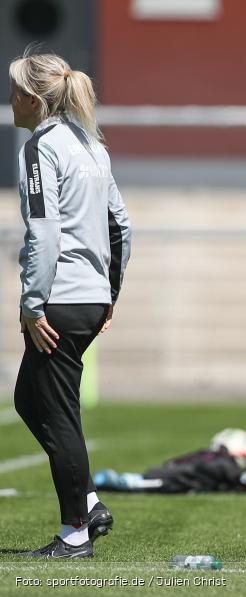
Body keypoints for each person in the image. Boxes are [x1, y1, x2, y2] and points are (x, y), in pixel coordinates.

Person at [9, 51, 130, 558]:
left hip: (58, 300)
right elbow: (120, 225)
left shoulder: (43, 147)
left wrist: (32, 303)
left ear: (33, 99)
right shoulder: (92, 146)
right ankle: (89, 501)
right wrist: (109, 295)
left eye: (13, 89)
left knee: (57, 415)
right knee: (29, 400)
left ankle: (75, 531)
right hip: (90, 296)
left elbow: (44, 230)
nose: (9, 99)